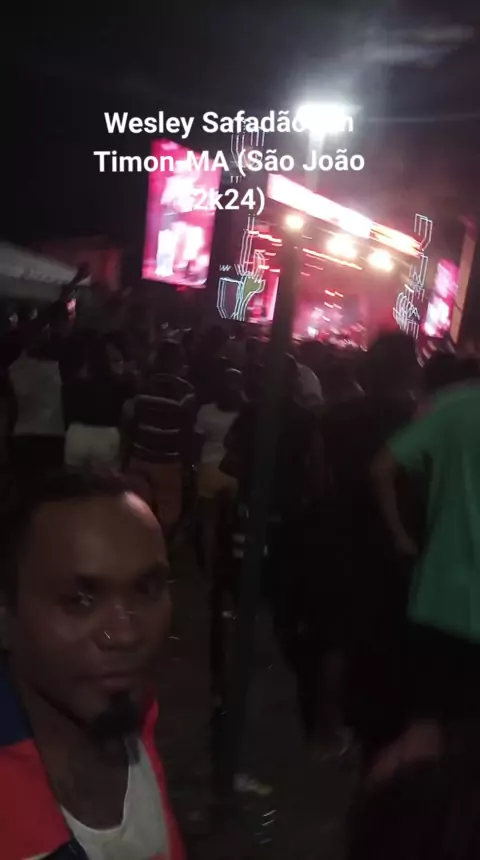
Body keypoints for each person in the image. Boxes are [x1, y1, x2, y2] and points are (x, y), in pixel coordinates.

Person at [0, 470, 184, 859]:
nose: (126, 634)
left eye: (147, 589)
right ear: (5, 614)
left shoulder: (135, 715)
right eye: (79, 600)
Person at [373, 380, 480, 732]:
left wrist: (400, 537)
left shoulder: (454, 407)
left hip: (442, 596)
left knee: (430, 725)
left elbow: (382, 468)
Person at [124, 341, 195, 537]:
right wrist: (188, 463)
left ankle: (139, 546)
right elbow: (187, 431)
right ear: (179, 362)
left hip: (140, 456)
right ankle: (159, 548)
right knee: (168, 515)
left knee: (137, 511)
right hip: (168, 461)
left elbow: (132, 423)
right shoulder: (185, 392)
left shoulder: (143, 386)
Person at [64, 335, 134, 469]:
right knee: (105, 480)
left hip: (77, 434)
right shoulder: (120, 384)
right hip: (106, 436)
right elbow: (128, 413)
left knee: (74, 480)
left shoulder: (73, 384)